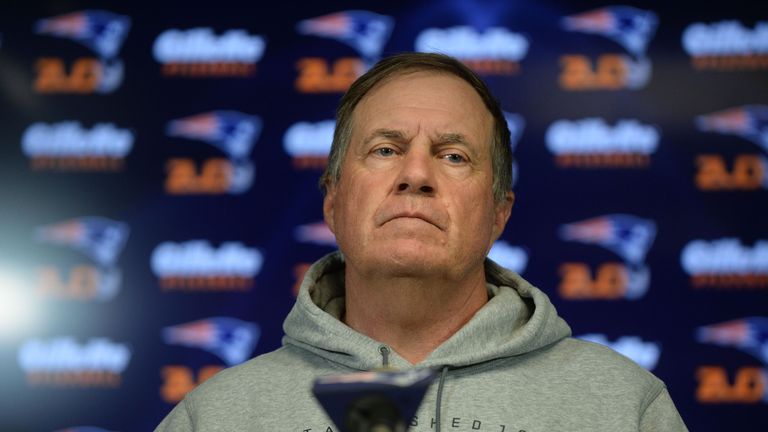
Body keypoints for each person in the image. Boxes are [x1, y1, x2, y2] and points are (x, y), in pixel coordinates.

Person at [156, 52, 688, 431]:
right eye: (385, 150)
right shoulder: (215, 417)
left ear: (498, 213)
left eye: (454, 156)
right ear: (333, 203)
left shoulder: (623, 407)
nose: (416, 174)